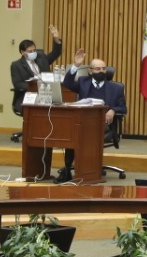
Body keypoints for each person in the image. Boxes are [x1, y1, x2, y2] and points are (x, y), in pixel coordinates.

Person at [53, 48, 127, 183]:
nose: (101, 71)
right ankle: (68, 170)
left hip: (104, 124)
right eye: (97, 69)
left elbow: (123, 108)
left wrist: (113, 110)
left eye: (104, 69)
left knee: (82, 132)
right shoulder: (83, 82)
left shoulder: (116, 88)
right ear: (90, 71)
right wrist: (76, 65)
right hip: (82, 122)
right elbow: (67, 83)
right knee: (73, 131)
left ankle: (89, 171)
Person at [10, 24, 62, 115]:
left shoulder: (41, 58)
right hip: (28, 96)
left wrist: (56, 39)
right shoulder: (16, 65)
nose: (33, 53)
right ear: (22, 52)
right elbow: (18, 84)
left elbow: (55, 53)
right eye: (30, 51)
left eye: (34, 50)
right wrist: (37, 86)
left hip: (47, 94)